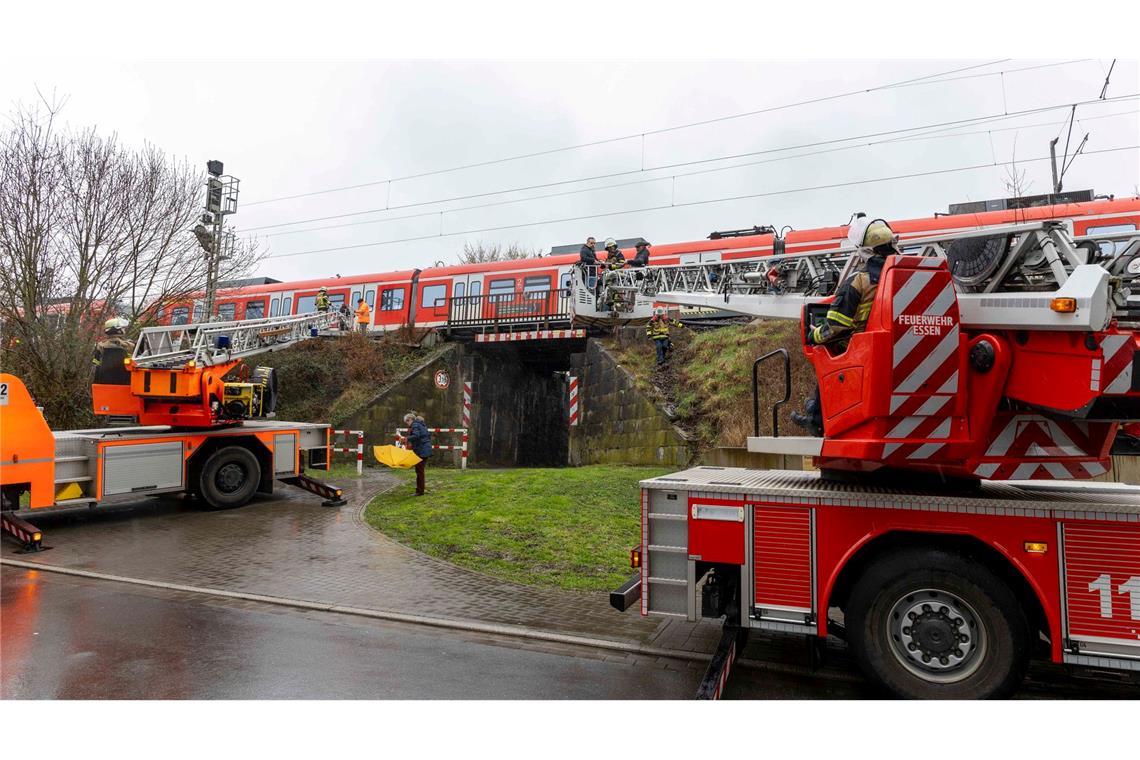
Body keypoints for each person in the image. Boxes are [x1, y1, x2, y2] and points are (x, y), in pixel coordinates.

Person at [790, 216, 898, 437]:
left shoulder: (858, 282)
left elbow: (836, 327)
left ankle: (816, 419)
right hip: (903, 348)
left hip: (865, 352)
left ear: (865, 251)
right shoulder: (907, 275)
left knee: (823, 351)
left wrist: (814, 334)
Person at [405, 412, 433, 496]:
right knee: (420, 470)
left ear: (410, 419)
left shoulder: (415, 425)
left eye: (407, 421)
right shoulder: (421, 425)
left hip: (422, 451)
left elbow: (416, 435)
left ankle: (420, 491)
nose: (407, 424)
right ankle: (420, 490)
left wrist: (406, 439)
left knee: (419, 471)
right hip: (425, 449)